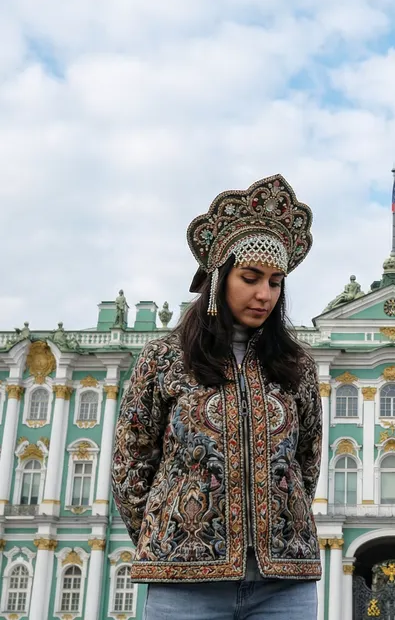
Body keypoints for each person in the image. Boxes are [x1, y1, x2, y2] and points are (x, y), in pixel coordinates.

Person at [111, 174, 322, 620]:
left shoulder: (297, 366)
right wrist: (167, 535)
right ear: (219, 276)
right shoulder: (165, 358)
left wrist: (284, 524)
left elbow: (307, 462)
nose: (264, 294)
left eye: (275, 281)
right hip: (185, 585)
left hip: (285, 582)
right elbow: (131, 464)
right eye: (250, 277)